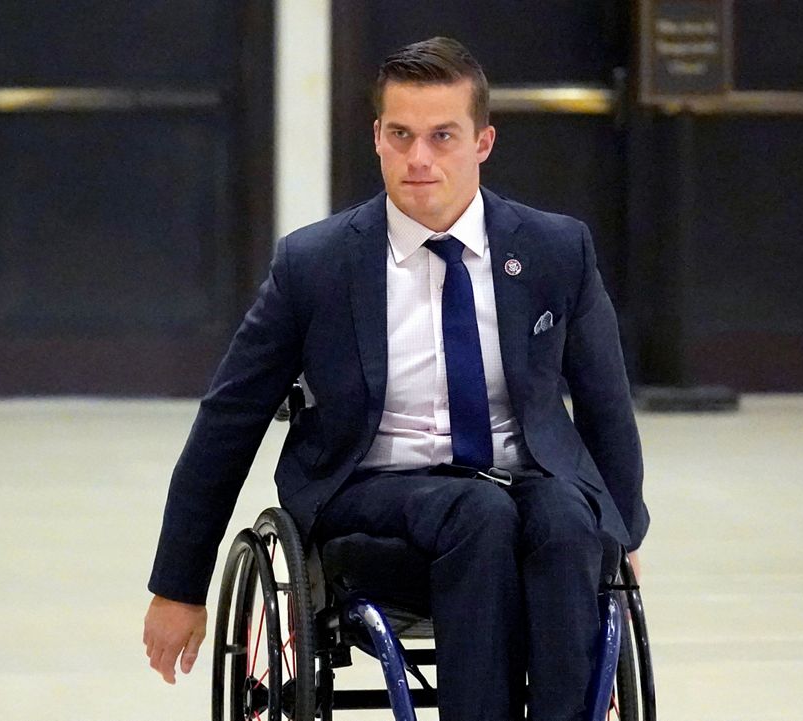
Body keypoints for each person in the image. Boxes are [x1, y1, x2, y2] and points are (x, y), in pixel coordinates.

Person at [142, 36, 648, 721]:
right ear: (377, 137)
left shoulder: (556, 249)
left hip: (526, 490)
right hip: (372, 503)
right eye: (401, 135)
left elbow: (605, 406)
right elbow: (229, 418)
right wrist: (180, 584)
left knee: (562, 518)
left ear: (483, 142)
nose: (419, 159)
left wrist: (622, 536)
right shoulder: (314, 265)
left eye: (443, 136)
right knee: (480, 514)